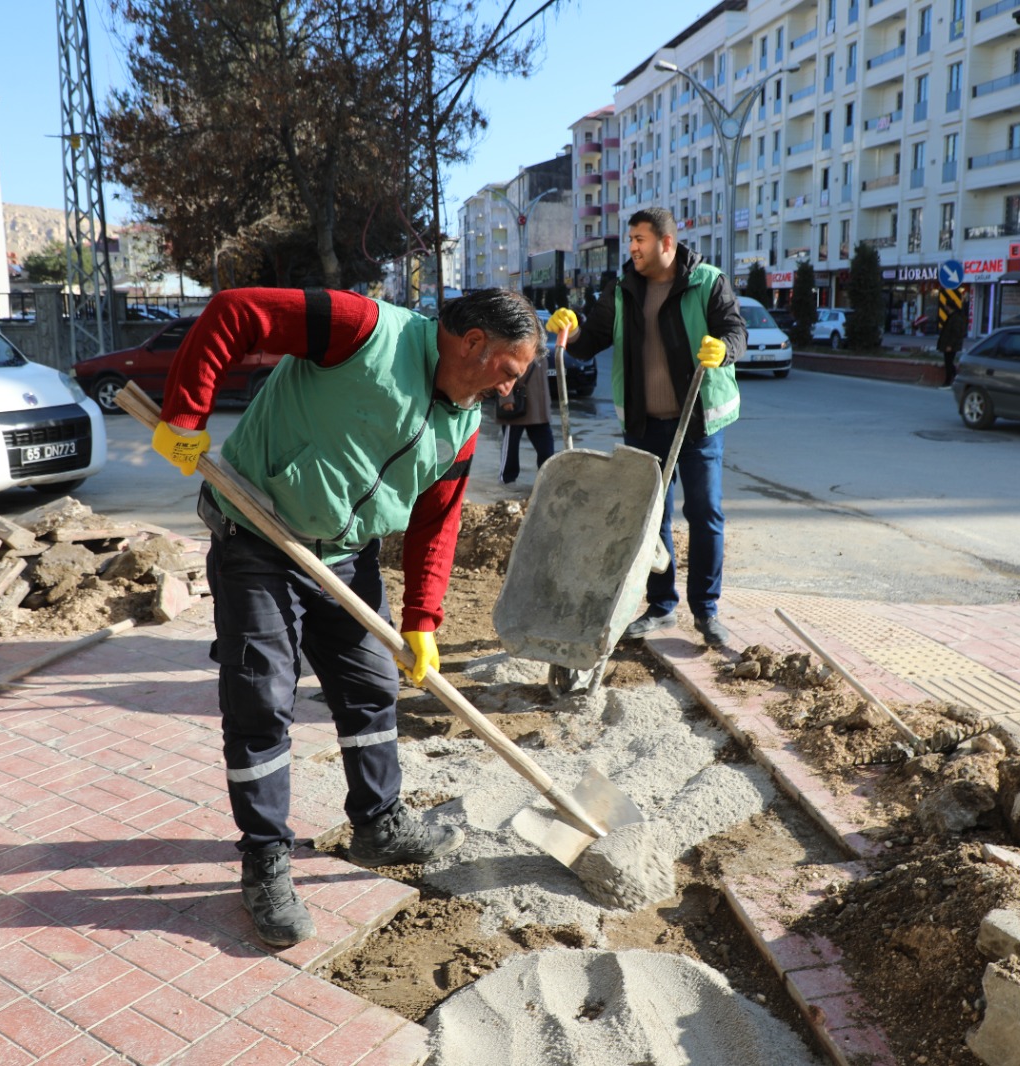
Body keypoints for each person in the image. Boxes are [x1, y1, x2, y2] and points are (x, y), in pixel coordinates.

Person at [152, 286, 542, 948]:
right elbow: (234, 313)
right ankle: (265, 860)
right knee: (261, 701)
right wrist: (186, 415)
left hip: (345, 555)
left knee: (371, 688)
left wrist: (422, 617)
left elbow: (437, 521)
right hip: (257, 535)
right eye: (508, 371)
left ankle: (378, 823)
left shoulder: (463, 421)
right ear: (473, 343)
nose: (509, 390)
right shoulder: (364, 331)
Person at [551, 207, 747, 647]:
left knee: (705, 513)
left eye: (639, 239)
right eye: (631, 240)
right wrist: (573, 331)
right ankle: (661, 606)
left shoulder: (707, 282)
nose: (633, 248)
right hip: (643, 426)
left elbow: (736, 330)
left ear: (666, 242)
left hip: (697, 423)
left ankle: (707, 611)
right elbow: (591, 342)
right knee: (650, 519)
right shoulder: (622, 290)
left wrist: (724, 349)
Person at [495, 345, 555, 484]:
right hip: (516, 408)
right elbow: (502, 373)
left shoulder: (541, 350)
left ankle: (546, 481)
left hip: (539, 412)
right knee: (510, 449)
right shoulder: (516, 345)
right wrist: (506, 399)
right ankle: (506, 482)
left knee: (546, 449)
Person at [937, 292, 968, 388]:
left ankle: (948, 382)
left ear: (949, 307)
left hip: (951, 345)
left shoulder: (956, 318)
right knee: (949, 363)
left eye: (946, 306)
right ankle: (955, 379)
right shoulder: (951, 317)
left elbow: (955, 333)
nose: (944, 307)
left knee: (949, 363)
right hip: (948, 344)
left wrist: (950, 345)